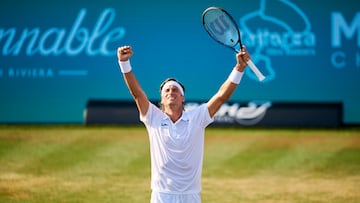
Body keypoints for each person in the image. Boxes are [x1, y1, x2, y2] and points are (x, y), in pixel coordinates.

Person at [117, 45, 250, 203]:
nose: (170, 93)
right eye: (166, 91)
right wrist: (124, 63)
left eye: (175, 90)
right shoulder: (153, 117)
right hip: (161, 195)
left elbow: (221, 96)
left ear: (182, 98)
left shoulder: (197, 117)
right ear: (162, 99)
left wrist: (239, 68)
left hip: (191, 196)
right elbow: (137, 93)